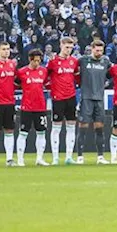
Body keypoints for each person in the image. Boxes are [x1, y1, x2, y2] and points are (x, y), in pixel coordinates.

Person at [46, 36, 80, 165]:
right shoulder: (53, 62)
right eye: (67, 47)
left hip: (71, 97)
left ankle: (69, 156)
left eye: (71, 48)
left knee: (71, 127)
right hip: (57, 98)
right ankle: (55, 157)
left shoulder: (74, 61)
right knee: (56, 128)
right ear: (61, 45)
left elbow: (77, 77)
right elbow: (46, 76)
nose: (69, 50)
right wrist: (51, 87)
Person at [78, 38, 111, 165]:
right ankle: (80, 157)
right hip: (86, 98)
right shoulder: (83, 60)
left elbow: (112, 73)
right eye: (97, 50)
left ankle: (100, 157)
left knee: (99, 128)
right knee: (83, 127)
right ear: (92, 49)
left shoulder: (105, 61)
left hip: (100, 98)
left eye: (101, 50)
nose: (99, 53)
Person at [15, 49, 50, 167]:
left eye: (39, 61)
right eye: (35, 61)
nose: (37, 63)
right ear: (30, 60)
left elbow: (46, 83)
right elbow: (15, 84)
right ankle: (20, 159)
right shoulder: (21, 72)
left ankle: (39, 158)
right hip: (27, 107)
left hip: (40, 107)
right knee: (23, 133)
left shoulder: (44, 71)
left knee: (41, 133)